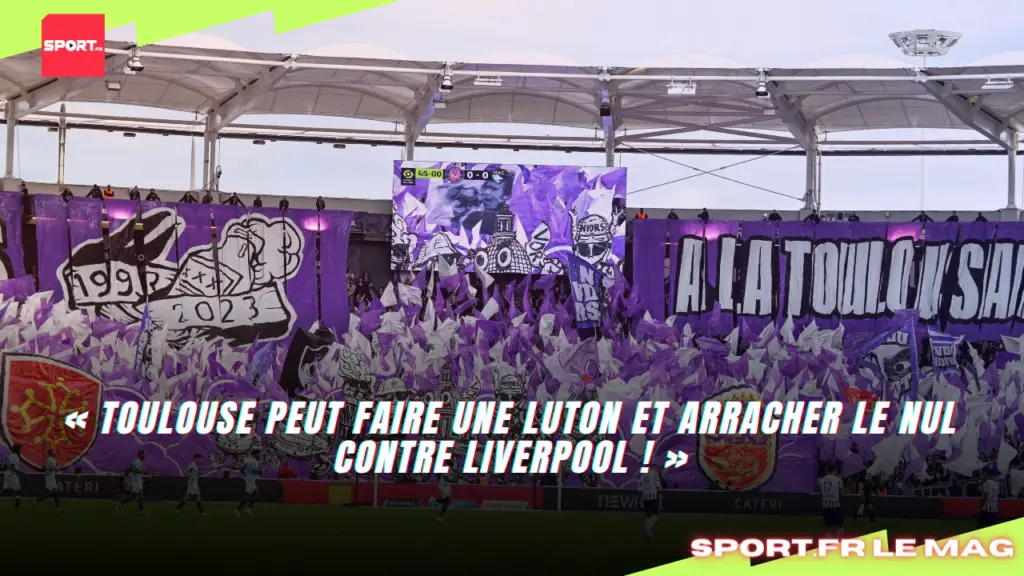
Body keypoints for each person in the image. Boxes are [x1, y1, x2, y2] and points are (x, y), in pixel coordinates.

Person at [117, 450, 147, 515]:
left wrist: (127, 471)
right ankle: (120, 504)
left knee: (139, 496)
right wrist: (143, 471)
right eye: (143, 454)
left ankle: (141, 511)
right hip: (136, 481)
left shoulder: (135, 462)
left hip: (137, 480)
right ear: (140, 455)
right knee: (134, 497)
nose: (144, 456)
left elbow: (131, 469)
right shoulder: (138, 462)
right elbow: (136, 471)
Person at [32, 448, 62, 512]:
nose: (55, 452)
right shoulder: (51, 460)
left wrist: (53, 468)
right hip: (50, 478)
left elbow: (44, 467)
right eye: (54, 451)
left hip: (50, 477)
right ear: (51, 453)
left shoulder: (48, 459)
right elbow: (51, 468)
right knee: (49, 493)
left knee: (55, 493)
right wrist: (57, 468)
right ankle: (35, 501)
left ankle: (59, 508)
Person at [637, 465, 661, 539]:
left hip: (645, 498)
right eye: (657, 469)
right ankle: (648, 529)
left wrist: (645, 490)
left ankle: (647, 532)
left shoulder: (642, 476)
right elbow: (658, 485)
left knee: (648, 516)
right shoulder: (655, 475)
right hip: (653, 497)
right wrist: (659, 489)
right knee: (655, 515)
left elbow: (639, 488)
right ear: (654, 469)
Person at [819, 462, 844, 536]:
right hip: (835, 505)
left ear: (827, 469)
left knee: (828, 528)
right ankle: (838, 541)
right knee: (841, 526)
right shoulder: (838, 479)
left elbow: (821, 492)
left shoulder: (822, 480)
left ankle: (828, 541)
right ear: (835, 470)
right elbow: (842, 493)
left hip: (825, 506)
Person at [235, 450, 261, 517]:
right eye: (258, 454)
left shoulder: (249, 461)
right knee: (250, 494)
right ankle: (239, 509)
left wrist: (246, 475)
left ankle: (247, 508)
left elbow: (241, 469)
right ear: (255, 454)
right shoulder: (254, 461)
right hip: (250, 480)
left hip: (249, 479)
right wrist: (260, 471)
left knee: (255, 493)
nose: (259, 455)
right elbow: (254, 471)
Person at [3, 444, 23, 511]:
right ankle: (16, 509)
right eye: (20, 449)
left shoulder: (10, 455)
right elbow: (11, 467)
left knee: (5, 491)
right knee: (18, 492)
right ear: (17, 449)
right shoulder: (15, 456)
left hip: (8, 475)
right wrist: (19, 471)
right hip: (12, 476)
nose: (21, 450)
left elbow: (6, 466)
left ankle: (16, 509)